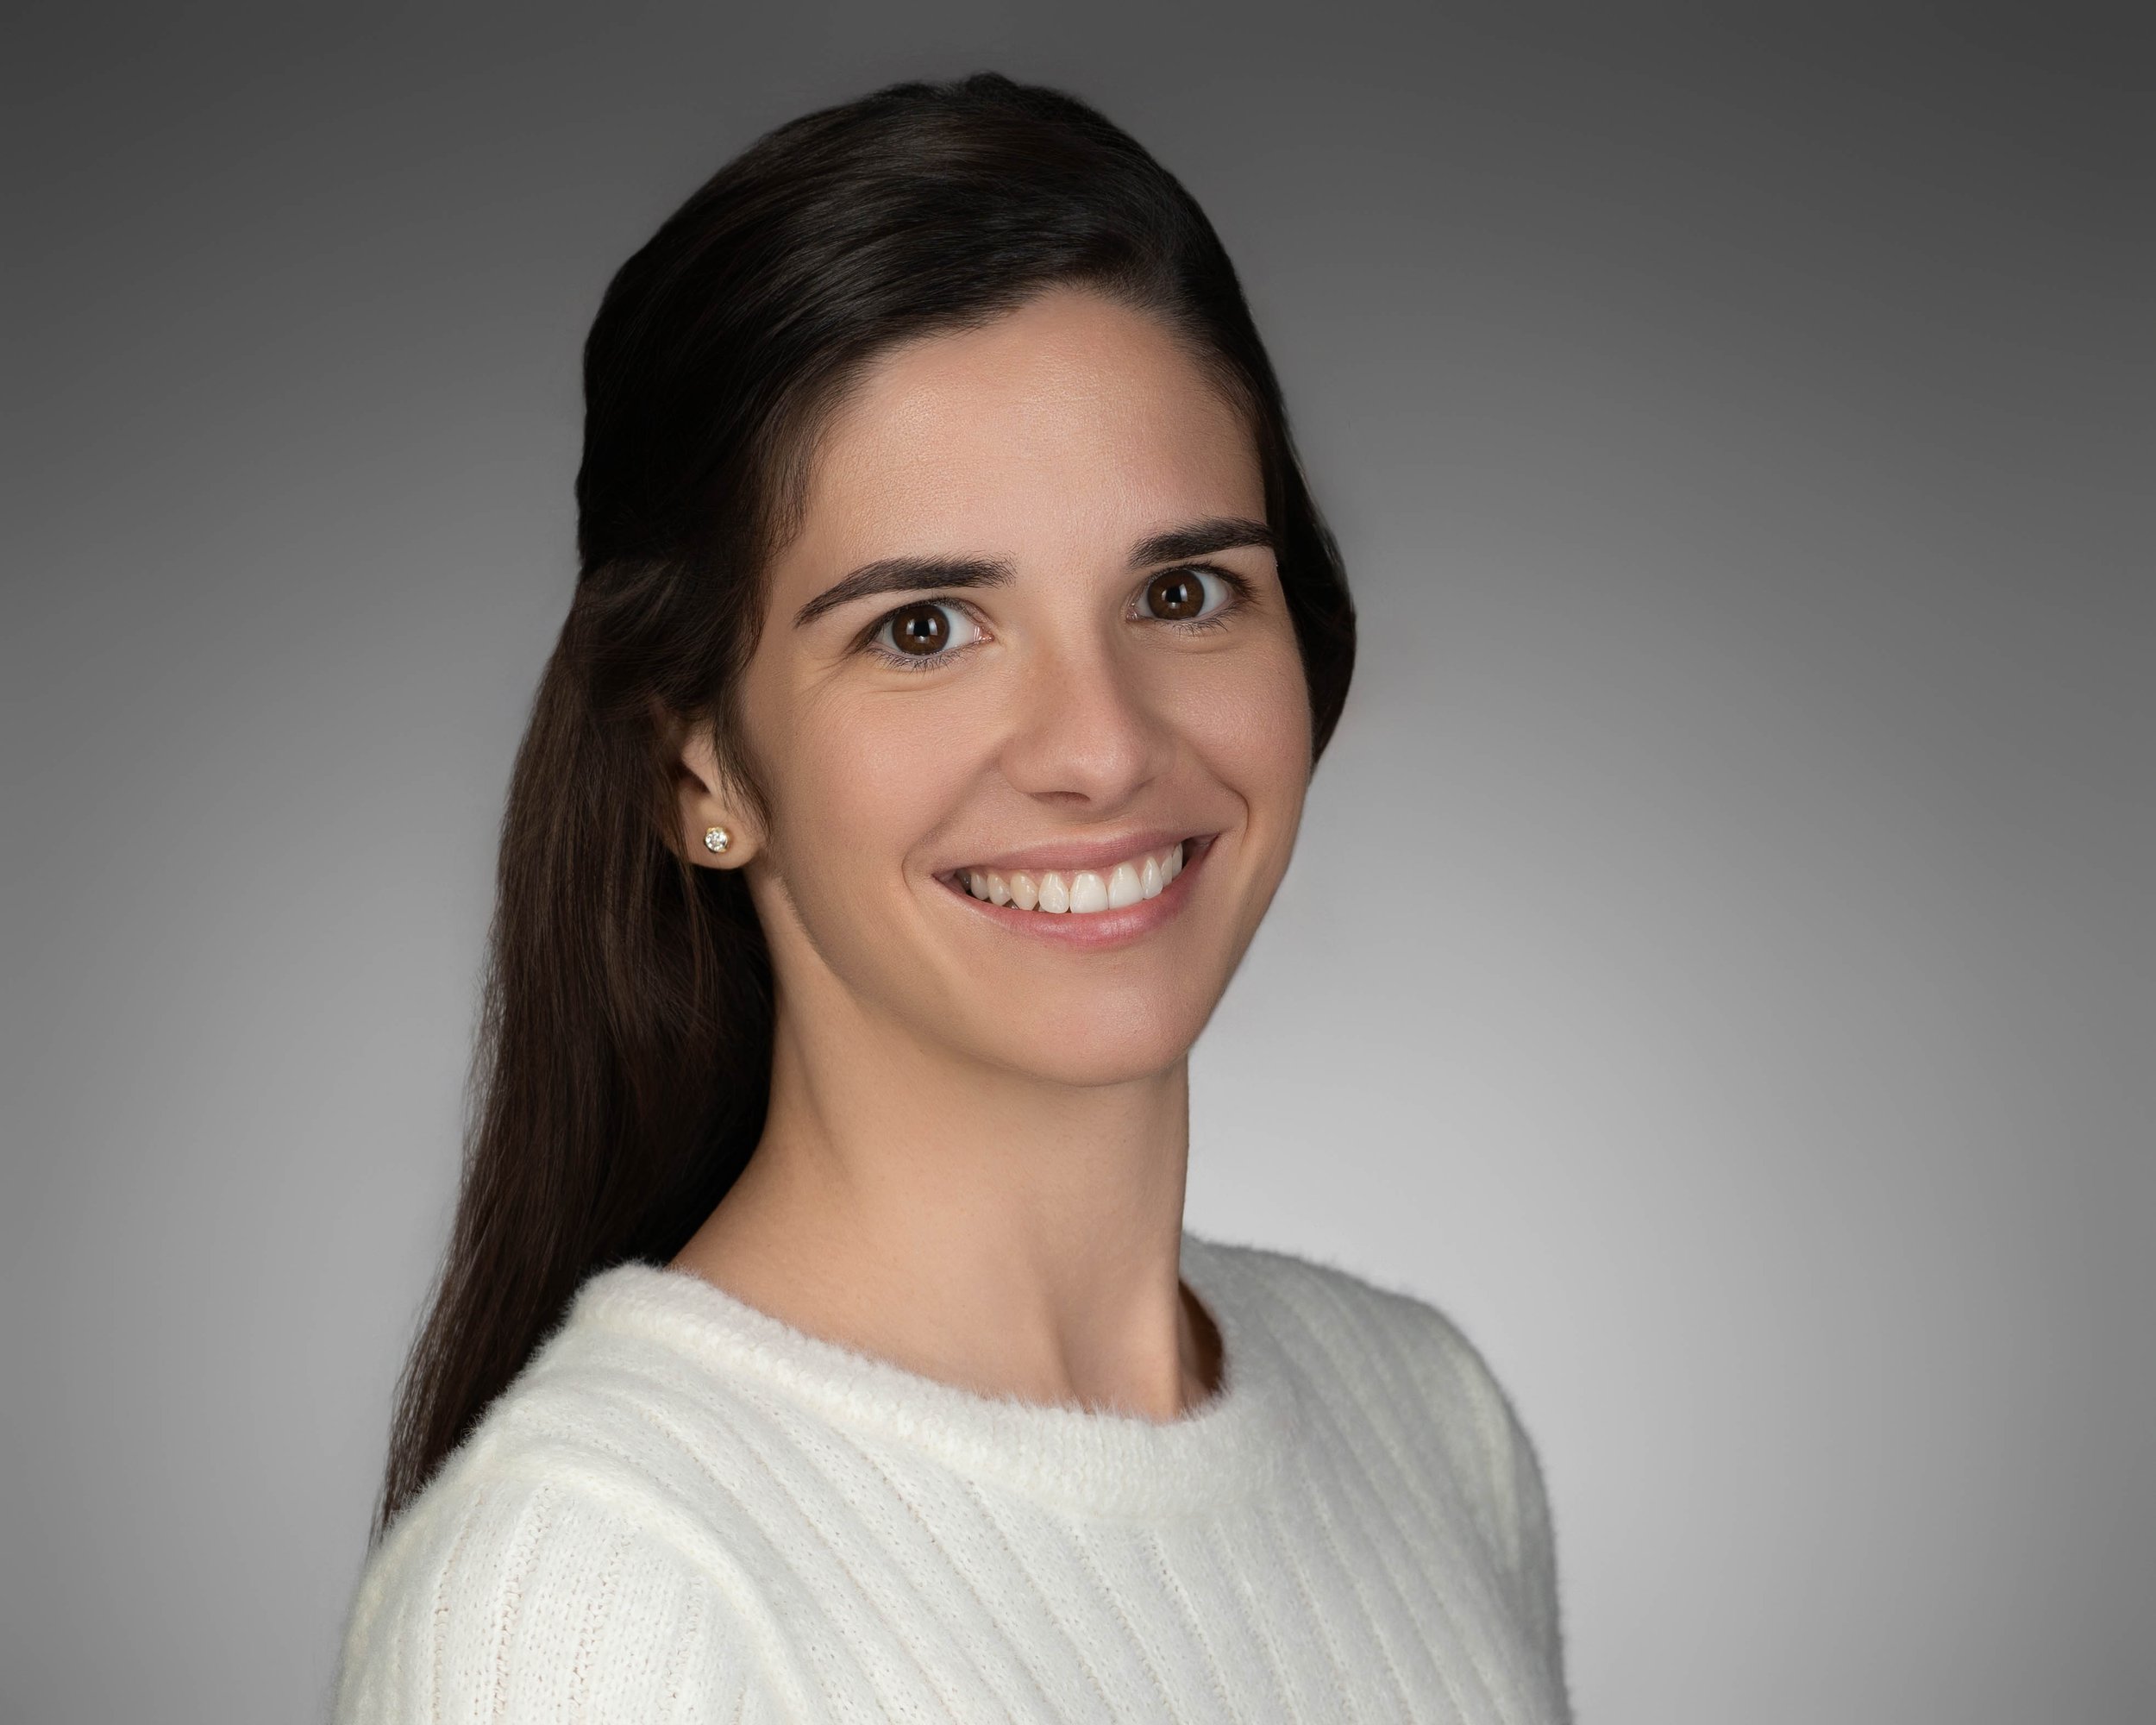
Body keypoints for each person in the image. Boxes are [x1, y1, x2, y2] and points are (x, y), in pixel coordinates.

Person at [331, 70, 1569, 1723]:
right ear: (700, 769)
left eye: (1186, 591)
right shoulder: (592, 1595)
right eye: (923, 627)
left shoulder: (1428, 1421)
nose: (1101, 747)